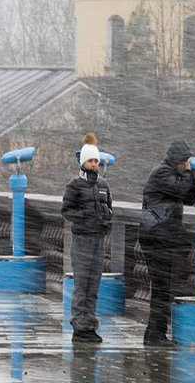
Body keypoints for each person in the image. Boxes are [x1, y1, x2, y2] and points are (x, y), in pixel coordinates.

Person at [139, 140, 195, 347]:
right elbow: (181, 191)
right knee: (162, 287)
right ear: (178, 160)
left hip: (162, 235)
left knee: (162, 287)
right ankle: (155, 335)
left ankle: (153, 334)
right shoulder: (162, 173)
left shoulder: (174, 174)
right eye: (186, 161)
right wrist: (189, 174)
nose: (187, 164)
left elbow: (190, 198)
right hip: (156, 236)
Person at [61, 133, 113, 343]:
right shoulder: (74, 185)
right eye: (91, 161)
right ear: (83, 162)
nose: (94, 164)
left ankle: (89, 326)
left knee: (94, 284)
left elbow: (109, 207)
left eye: (96, 161)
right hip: (82, 239)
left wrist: (106, 217)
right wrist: (85, 216)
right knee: (82, 284)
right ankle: (79, 327)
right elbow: (66, 210)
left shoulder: (103, 184)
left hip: (98, 239)